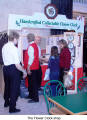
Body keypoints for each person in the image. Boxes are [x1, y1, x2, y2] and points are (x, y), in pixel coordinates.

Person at [2, 31, 27, 113]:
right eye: (17, 39)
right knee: (14, 89)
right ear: (15, 38)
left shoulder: (4, 46)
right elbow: (17, 65)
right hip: (13, 69)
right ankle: (12, 108)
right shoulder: (14, 48)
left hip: (5, 68)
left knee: (7, 86)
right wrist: (24, 71)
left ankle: (6, 102)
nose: (17, 41)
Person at [25, 34, 41, 103]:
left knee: (33, 83)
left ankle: (35, 98)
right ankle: (31, 95)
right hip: (35, 67)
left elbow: (31, 58)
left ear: (28, 39)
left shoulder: (31, 46)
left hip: (32, 67)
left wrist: (28, 67)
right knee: (31, 82)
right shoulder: (35, 45)